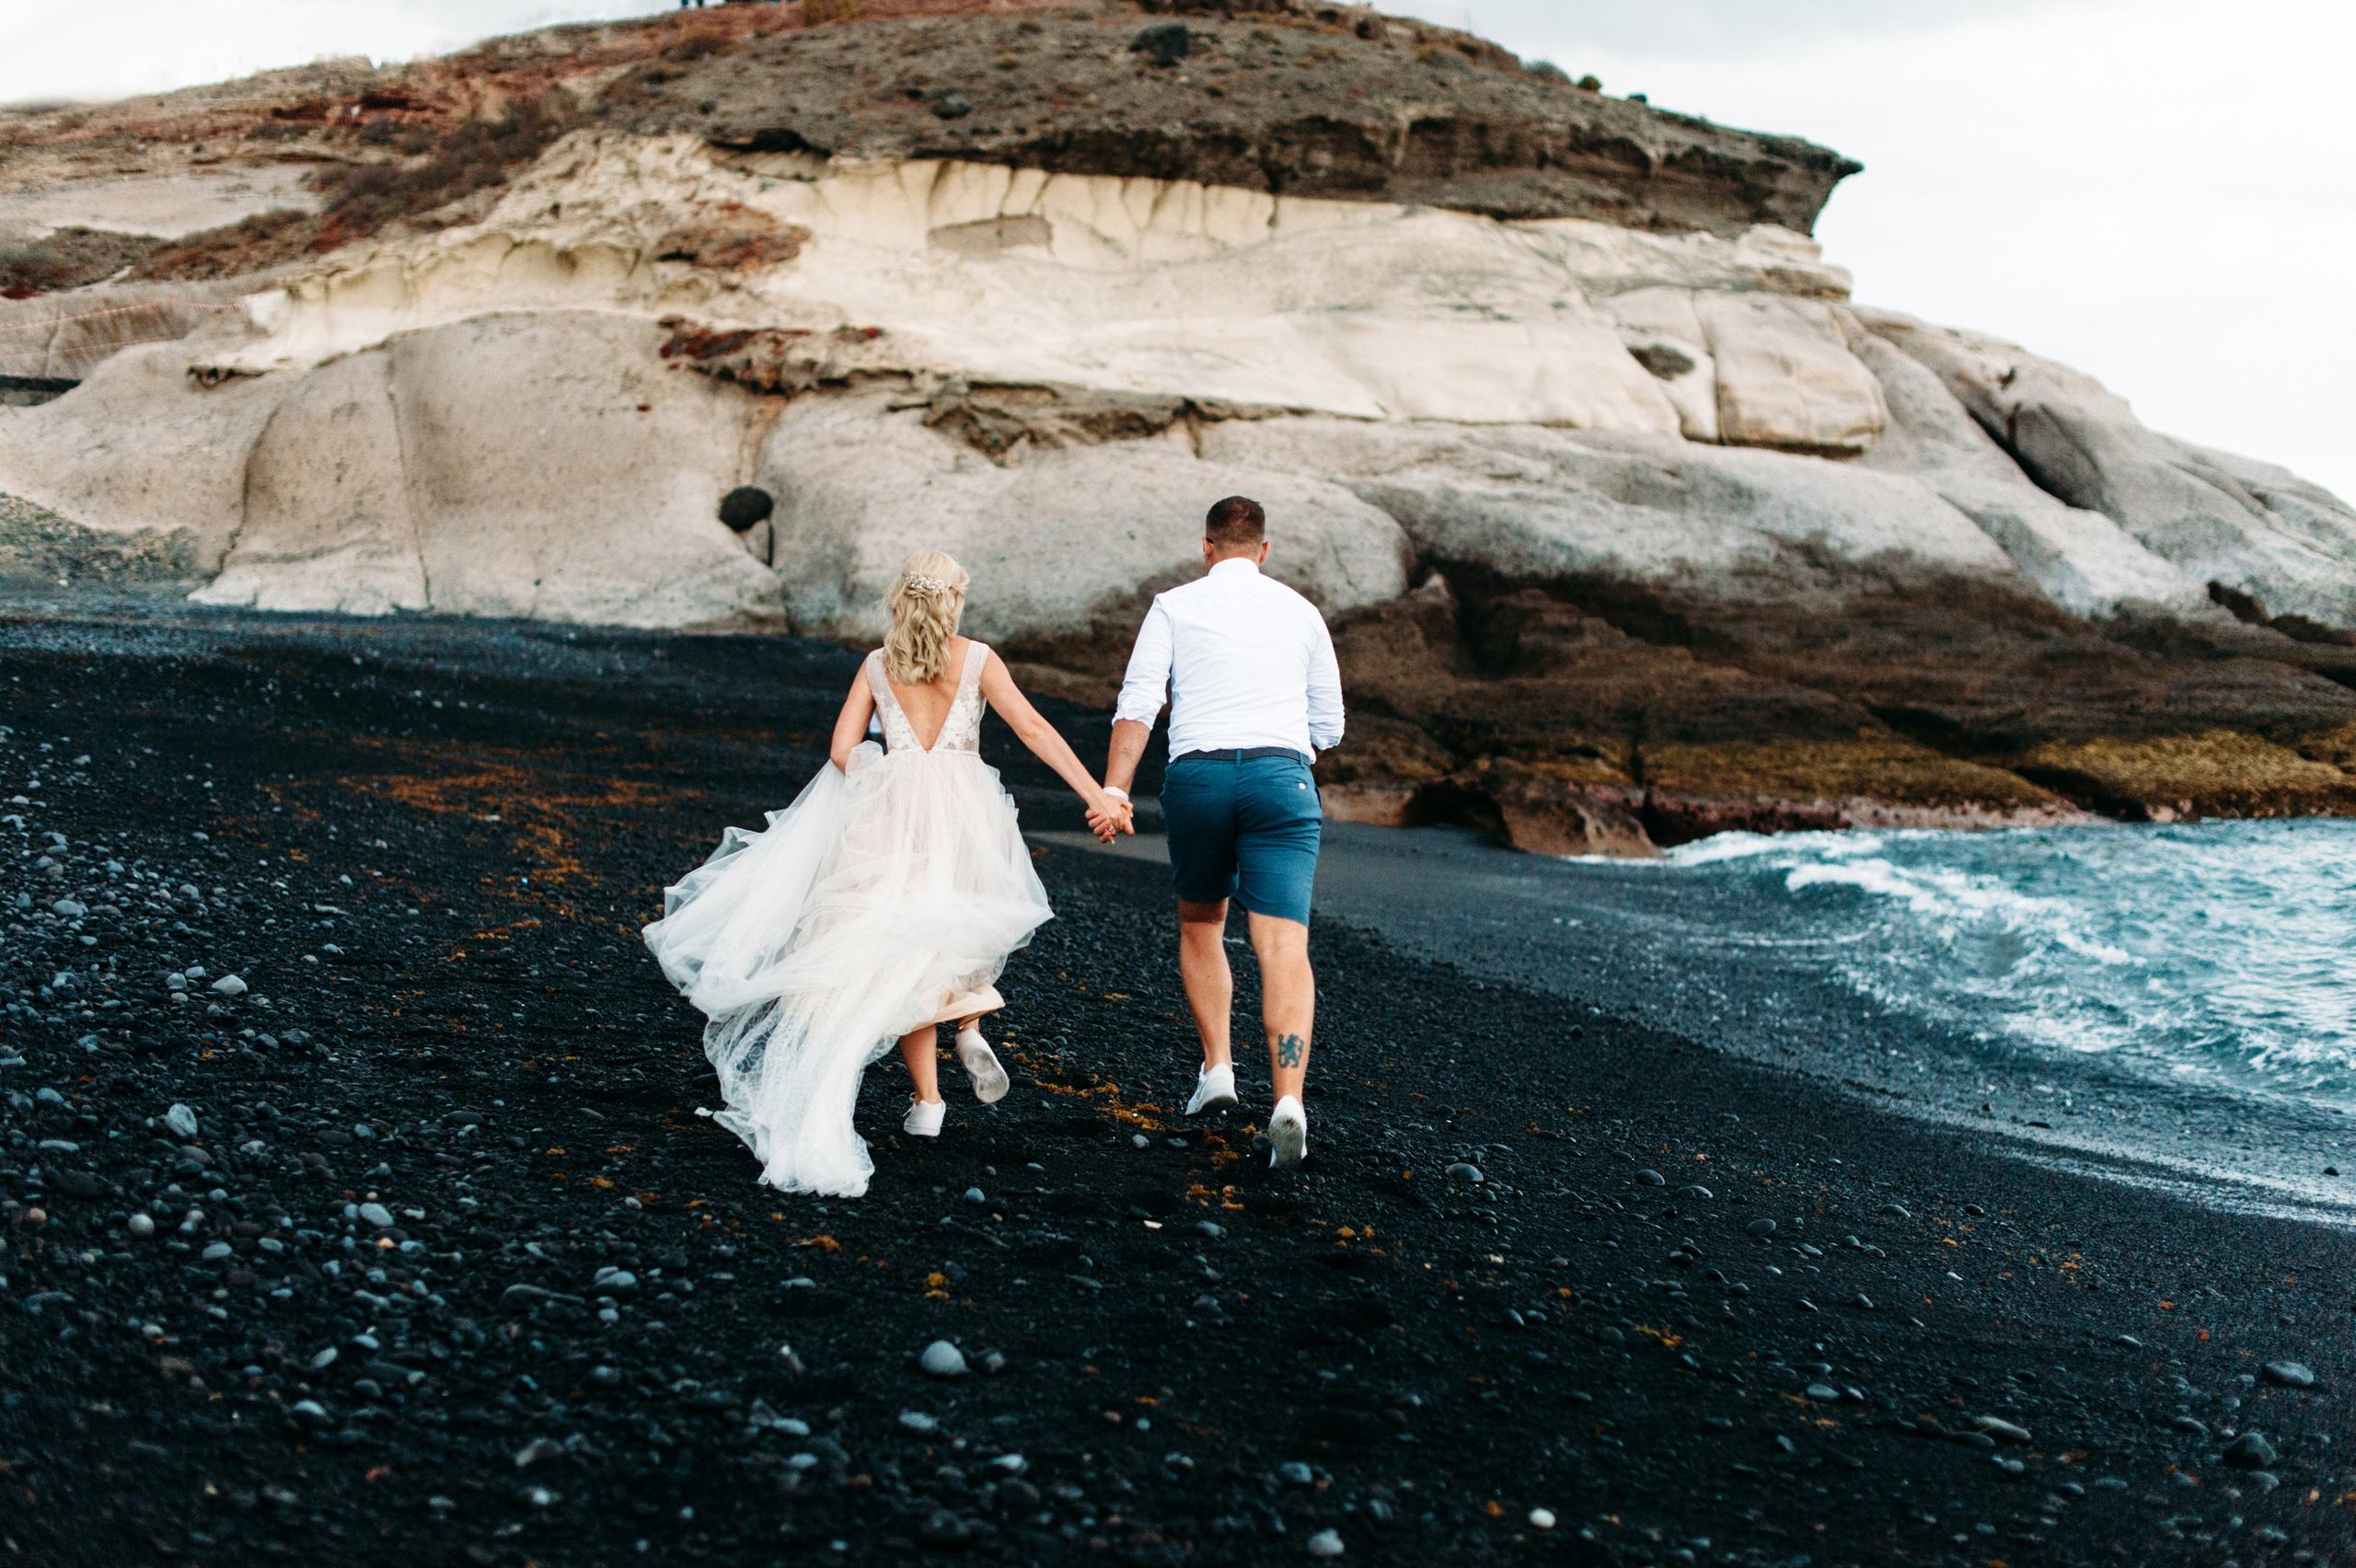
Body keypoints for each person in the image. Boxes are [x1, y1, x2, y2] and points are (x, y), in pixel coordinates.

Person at [643, 550, 1127, 1196]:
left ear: (902, 597)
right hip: (965, 809)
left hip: (891, 815)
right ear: (954, 600)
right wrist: (1095, 794)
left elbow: (841, 750)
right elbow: (1034, 729)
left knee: (902, 945)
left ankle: (929, 1104)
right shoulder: (978, 659)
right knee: (952, 926)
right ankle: (973, 1021)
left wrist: (883, 773)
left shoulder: (876, 665)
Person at [1099, 496, 1344, 1167]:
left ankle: (1218, 1072)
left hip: (1200, 780)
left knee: (1203, 923)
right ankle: (1288, 1100)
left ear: (1207, 548)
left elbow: (1139, 701)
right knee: (1283, 944)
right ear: (1264, 551)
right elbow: (1330, 725)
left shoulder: (1174, 605)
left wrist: (1115, 789)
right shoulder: (1301, 612)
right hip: (1281, 781)